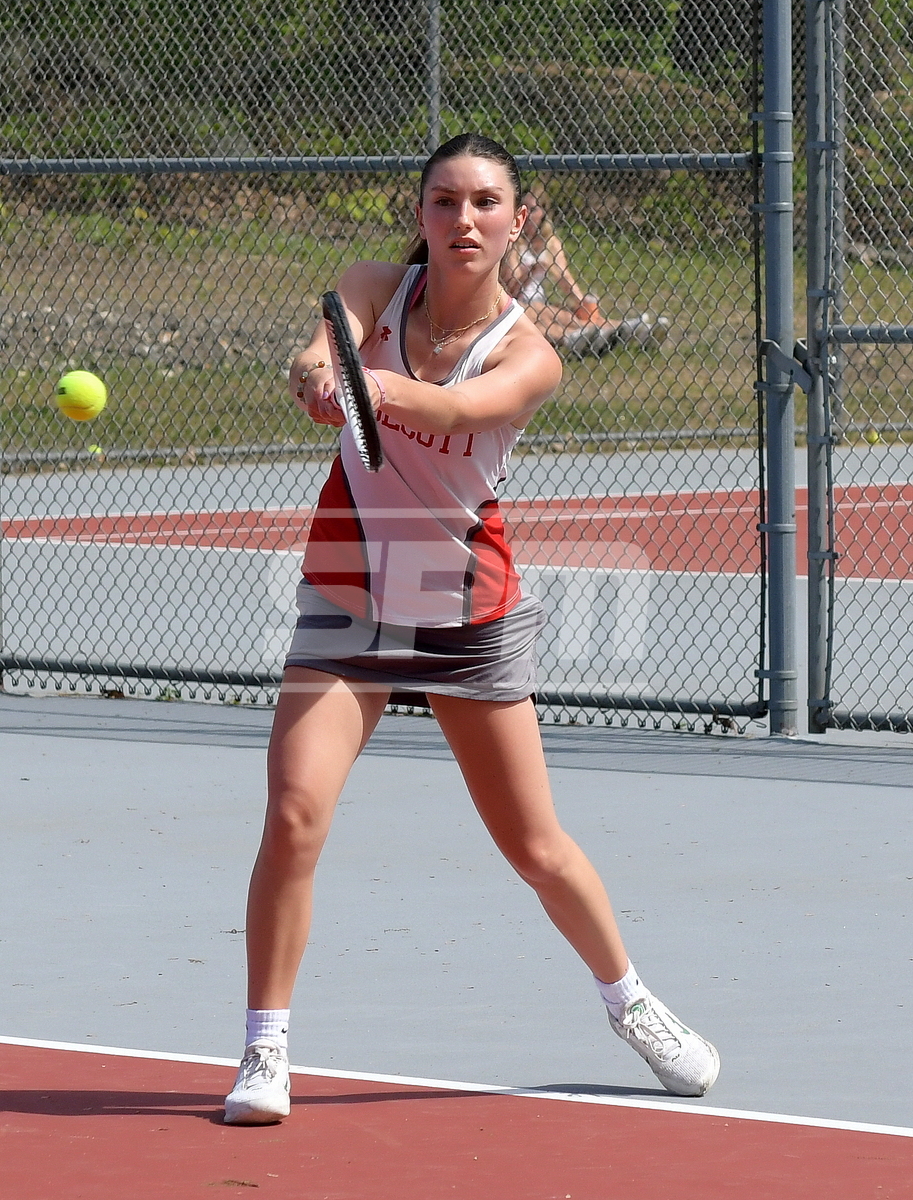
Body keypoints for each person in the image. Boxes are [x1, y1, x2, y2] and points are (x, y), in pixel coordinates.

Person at [223, 133, 719, 1125]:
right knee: (293, 814)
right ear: (419, 214)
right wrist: (316, 369)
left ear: (516, 221)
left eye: (486, 203)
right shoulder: (371, 287)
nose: (464, 220)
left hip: (465, 610)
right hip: (350, 593)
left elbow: (453, 413)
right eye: (444, 201)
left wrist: (367, 388)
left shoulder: (531, 355)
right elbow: (322, 345)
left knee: (534, 846)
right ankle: (263, 1050)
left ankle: (629, 1001)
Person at [502, 191, 670, 355]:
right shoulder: (512, 243)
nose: (528, 215)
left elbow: (564, 277)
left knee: (576, 315)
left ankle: (636, 331)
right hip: (519, 303)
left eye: (533, 210)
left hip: (541, 302)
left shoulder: (551, 243)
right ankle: (584, 337)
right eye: (523, 209)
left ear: (544, 213)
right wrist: (532, 271)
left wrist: (581, 301)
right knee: (546, 315)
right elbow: (511, 289)